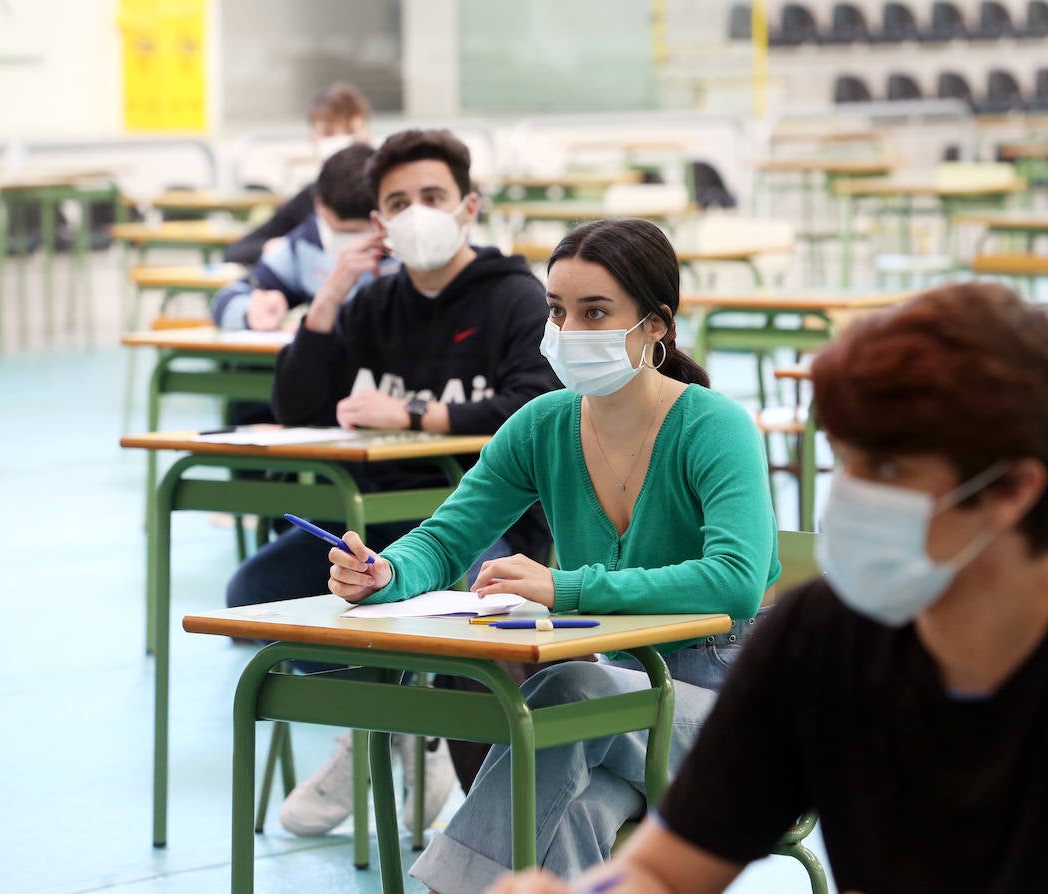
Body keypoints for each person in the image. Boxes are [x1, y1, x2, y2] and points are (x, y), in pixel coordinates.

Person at [488, 283, 1048, 894]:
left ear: (1012, 492)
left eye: (887, 475)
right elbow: (665, 866)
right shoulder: (821, 639)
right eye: (847, 464)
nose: (851, 499)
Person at [321, 217, 781, 893]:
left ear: (656, 325)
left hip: (739, 726)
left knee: (566, 689)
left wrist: (565, 587)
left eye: (595, 312)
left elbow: (737, 582)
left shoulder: (715, 426)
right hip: (625, 717)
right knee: (561, 821)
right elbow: (448, 536)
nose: (568, 332)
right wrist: (386, 572)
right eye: (557, 311)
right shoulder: (544, 424)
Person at [228, 128, 561, 839]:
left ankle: (405, 732)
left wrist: (415, 412)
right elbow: (297, 406)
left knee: (474, 612)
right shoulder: (374, 304)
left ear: (469, 206)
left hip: (487, 520)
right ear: (378, 223)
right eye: (399, 202)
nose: (417, 213)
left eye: (433, 197)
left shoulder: (514, 298)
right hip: (378, 517)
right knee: (255, 595)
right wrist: (330, 295)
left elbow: (537, 404)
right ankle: (398, 724)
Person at [210, 143, 397, 332]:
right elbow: (226, 298)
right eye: (336, 230)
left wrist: (320, 318)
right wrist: (250, 312)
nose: (346, 243)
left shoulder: (404, 253)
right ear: (318, 205)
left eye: (356, 232)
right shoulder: (305, 243)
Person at [224, 82, 373, 266]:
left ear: (367, 135)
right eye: (328, 133)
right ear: (313, 140)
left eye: (350, 131)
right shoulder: (309, 198)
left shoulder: (387, 191)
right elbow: (238, 250)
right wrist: (273, 246)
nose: (340, 140)